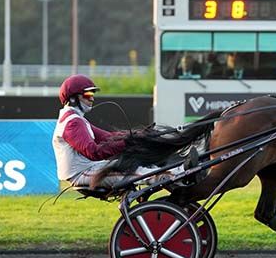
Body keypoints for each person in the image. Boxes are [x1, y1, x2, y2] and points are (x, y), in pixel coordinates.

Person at [52, 74, 198, 189]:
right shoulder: (72, 123)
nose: (92, 99)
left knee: (139, 165)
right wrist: (126, 142)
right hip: (82, 174)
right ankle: (180, 173)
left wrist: (138, 136)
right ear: (72, 99)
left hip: (89, 168)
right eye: (88, 95)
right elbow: (93, 152)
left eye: (92, 95)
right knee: (137, 172)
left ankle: (177, 174)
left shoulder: (76, 119)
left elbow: (107, 137)